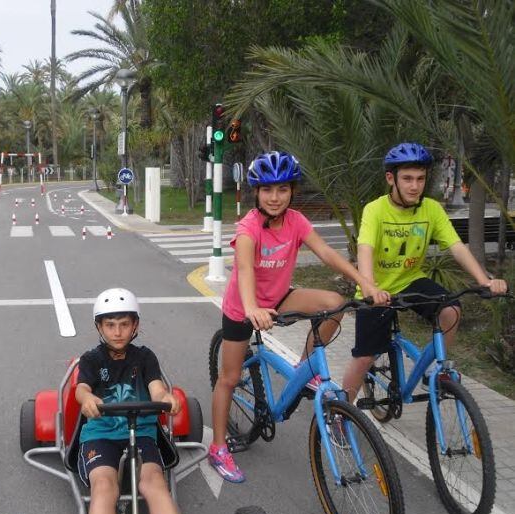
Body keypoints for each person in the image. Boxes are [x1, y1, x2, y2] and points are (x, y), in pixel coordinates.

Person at [210, 151, 390, 483]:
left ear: (292, 190)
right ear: (257, 193)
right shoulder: (249, 226)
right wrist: (251, 308)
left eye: (282, 189)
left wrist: (364, 282)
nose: (275, 197)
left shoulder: (296, 221)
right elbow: (246, 269)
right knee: (229, 378)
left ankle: (304, 370)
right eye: (267, 190)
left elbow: (326, 253)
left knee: (336, 303)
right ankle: (218, 447)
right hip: (242, 306)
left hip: (279, 297)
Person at [76, 288, 226, 514]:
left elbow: (156, 387)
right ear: (99, 327)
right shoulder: (91, 360)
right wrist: (87, 399)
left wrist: (167, 398)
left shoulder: (144, 358)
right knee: (104, 484)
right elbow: (82, 389)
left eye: (124, 324)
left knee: (154, 481)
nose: (117, 332)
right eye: (110, 325)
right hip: (101, 433)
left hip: (141, 431)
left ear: (135, 326)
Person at [341, 142, 508, 400]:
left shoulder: (431, 209)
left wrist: (484, 280)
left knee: (451, 309)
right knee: (364, 357)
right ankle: (341, 413)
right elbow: (365, 249)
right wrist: (371, 288)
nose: (414, 186)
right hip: (376, 288)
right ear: (390, 178)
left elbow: (457, 248)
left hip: (411, 281)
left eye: (420, 179)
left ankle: (436, 370)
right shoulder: (375, 210)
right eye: (407, 178)